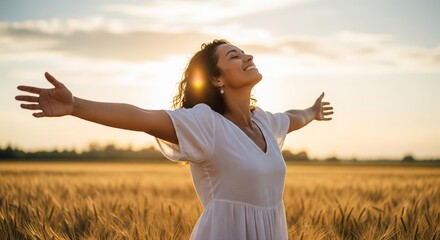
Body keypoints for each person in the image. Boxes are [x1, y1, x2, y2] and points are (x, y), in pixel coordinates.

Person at [16, 39, 333, 240]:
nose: (247, 56)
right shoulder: (206, 124)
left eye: (244, 52)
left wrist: (313, 111)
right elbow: (142, 116)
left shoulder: (264, 122)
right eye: (234, 56)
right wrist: (76, 106)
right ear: (217, 79)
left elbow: (293, 118)